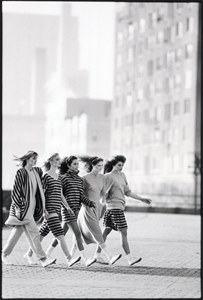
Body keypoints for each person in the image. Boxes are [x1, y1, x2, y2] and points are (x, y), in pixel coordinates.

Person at [24, 153, 81, 267]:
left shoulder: (59, 177)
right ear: (51, 161)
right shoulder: (46, 176)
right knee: (60, 234)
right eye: (56, 159)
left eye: (59, 159)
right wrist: (44, 209)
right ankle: (69, 258)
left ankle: (29, 253)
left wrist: (67, 207)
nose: (59, 161)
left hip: (57, 209)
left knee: (42, 233)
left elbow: (60, 195)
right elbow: (42, 194)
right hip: (49, 210)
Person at [95, 155, 152, 266]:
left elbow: (128, 192)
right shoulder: (107, 176)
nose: (121, 167)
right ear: (113, 165)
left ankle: (96, 256)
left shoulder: (122, 175)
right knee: (124, 232)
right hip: (114, 207)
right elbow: (102, 193)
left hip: (117, 208)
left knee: (105, 232)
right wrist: (106, 192)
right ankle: (130, 258)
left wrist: (141, 199)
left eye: (122, 165)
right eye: (119, 165)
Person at [1, 150, 56, 267]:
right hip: (23, 208)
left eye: (36, 158)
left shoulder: (37, 171)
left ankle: (4, 254)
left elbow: (40, 190)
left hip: (34, 207)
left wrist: (44, 208)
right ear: (26, 159)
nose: (34, 161)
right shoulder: (20, 172)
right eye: (32, 158)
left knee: (17, 233)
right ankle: (43, 259)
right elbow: (15, 191)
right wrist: (19, 207)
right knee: (35, 232)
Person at [45, 155, 97, 267]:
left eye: (77, 164)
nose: (76, 166)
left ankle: (47, 253)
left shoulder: (79, 179)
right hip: (67, 211)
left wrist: (90, 203)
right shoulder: (63, 178)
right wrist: (65, 207)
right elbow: (60, 194)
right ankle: (85, 259)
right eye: (74, 164)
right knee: (78, 234)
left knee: (61, 234)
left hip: (76, 210)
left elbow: (81, 196)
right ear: (68, 165)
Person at [70, 156, 122, 265]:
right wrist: (84, 205)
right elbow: (81, 194)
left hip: (97, 207)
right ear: (93, 165)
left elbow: (103, 193)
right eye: (98, 165)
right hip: (87, 207)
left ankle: (70, 258)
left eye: (101, 166)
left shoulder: (103, 177)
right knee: (97, 231)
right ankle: (110, 256)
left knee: (79, 234)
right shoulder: (85, 178)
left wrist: (105, 202)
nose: (100, 168)